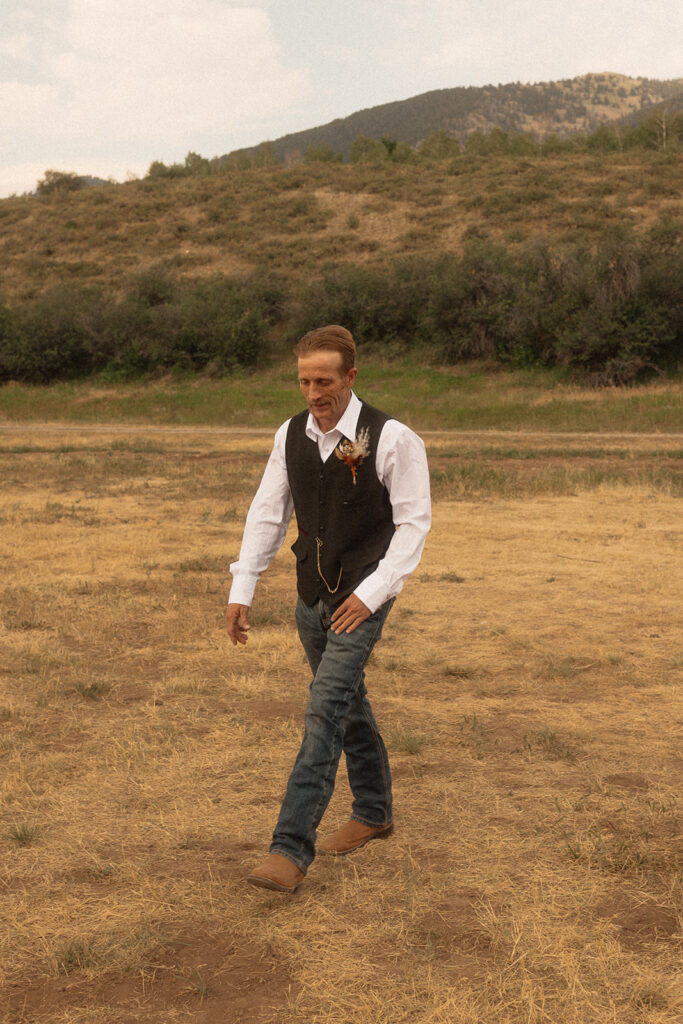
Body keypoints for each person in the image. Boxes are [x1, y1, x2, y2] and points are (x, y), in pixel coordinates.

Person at [226, 325, 431, 893]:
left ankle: (288, 849)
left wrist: (372, 595)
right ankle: (374, 811)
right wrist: (244, 585)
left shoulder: (392, 438)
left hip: (362, 597)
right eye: (304, 381)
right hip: (310, 598)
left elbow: (414, 526)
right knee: (345, 702)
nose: (314, 393)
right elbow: (268, 510)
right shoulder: (290, 434)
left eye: (325, 381)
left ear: (350, 377)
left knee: (323, 710)